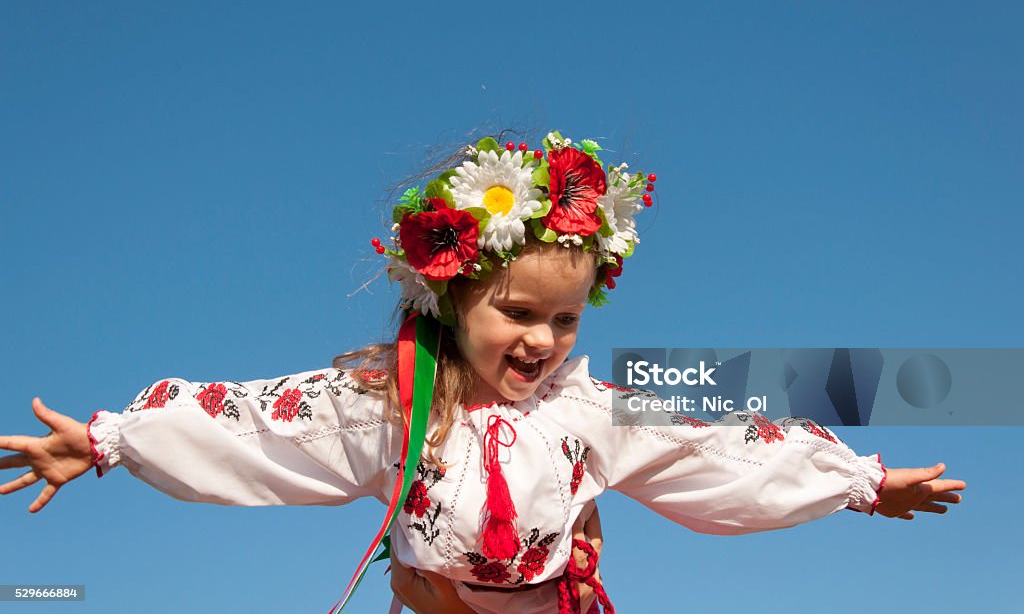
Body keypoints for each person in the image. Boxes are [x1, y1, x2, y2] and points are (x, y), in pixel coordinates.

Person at [0, 131, 966, 614]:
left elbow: (720, 446)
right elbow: (254, 426)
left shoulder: (597, 406)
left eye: (566, 318)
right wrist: (108, 442)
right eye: (517, 312)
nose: (543, 338)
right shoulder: (383, 403)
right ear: (448, 298)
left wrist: (862, 483)